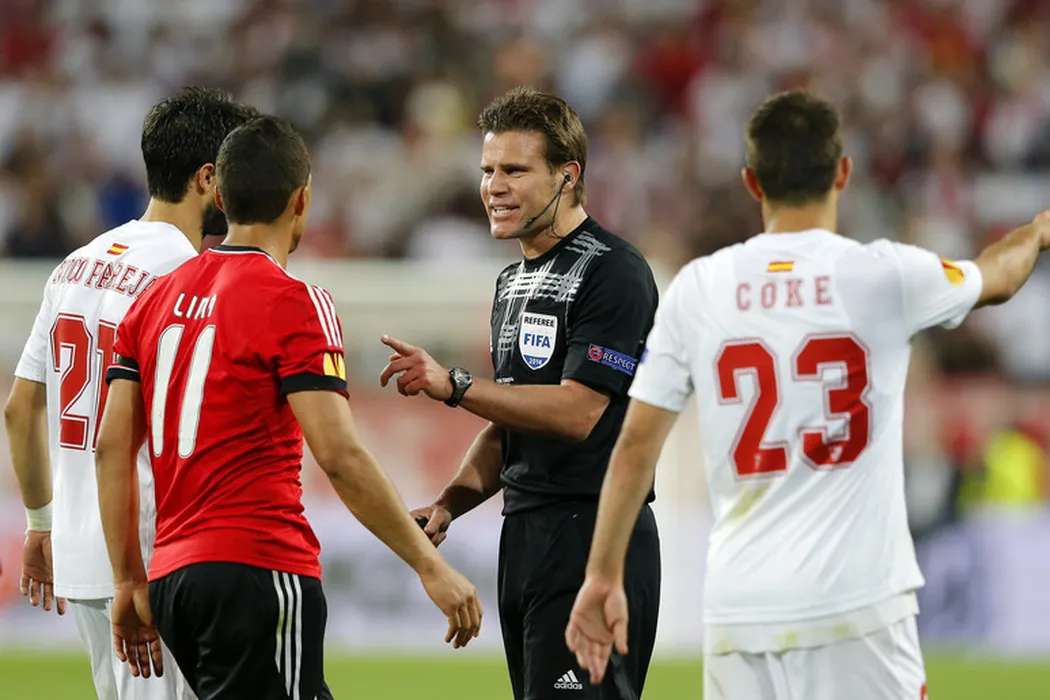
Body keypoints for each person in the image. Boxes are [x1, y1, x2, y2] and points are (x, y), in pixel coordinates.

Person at [565, 90, 1050, 700]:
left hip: (742, 609)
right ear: (842, 173)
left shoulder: (699, 288)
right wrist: (1036, 231)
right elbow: (998, 277)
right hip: (857, 605)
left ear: (752, 181)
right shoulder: (885, 275)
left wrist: (602, 574)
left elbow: (636, 443)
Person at [95, 115, 483, 700]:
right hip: (258, 566)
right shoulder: (296, 301)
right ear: (302, 200)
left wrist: (128, 579)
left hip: (173, 577)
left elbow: (110, 447)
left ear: (220, 198)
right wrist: (430, 565)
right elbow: (340, 456)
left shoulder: (153, 300)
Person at [379, 85, 661, 700]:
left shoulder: (614, 271)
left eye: (514, 170)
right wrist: (449, 503)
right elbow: (514, 422)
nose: (494, 187)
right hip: (526, 536)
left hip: (593, 536)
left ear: (567, 176)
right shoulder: (513, 280)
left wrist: (455, 384)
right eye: (488, 170)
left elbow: (579, 412)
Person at [4, 86, 259, 700]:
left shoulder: (74, 265)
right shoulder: (184, 277)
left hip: (77, 550)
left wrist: (40, 523)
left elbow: (19, 409)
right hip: (147, 554)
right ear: (207, 179)